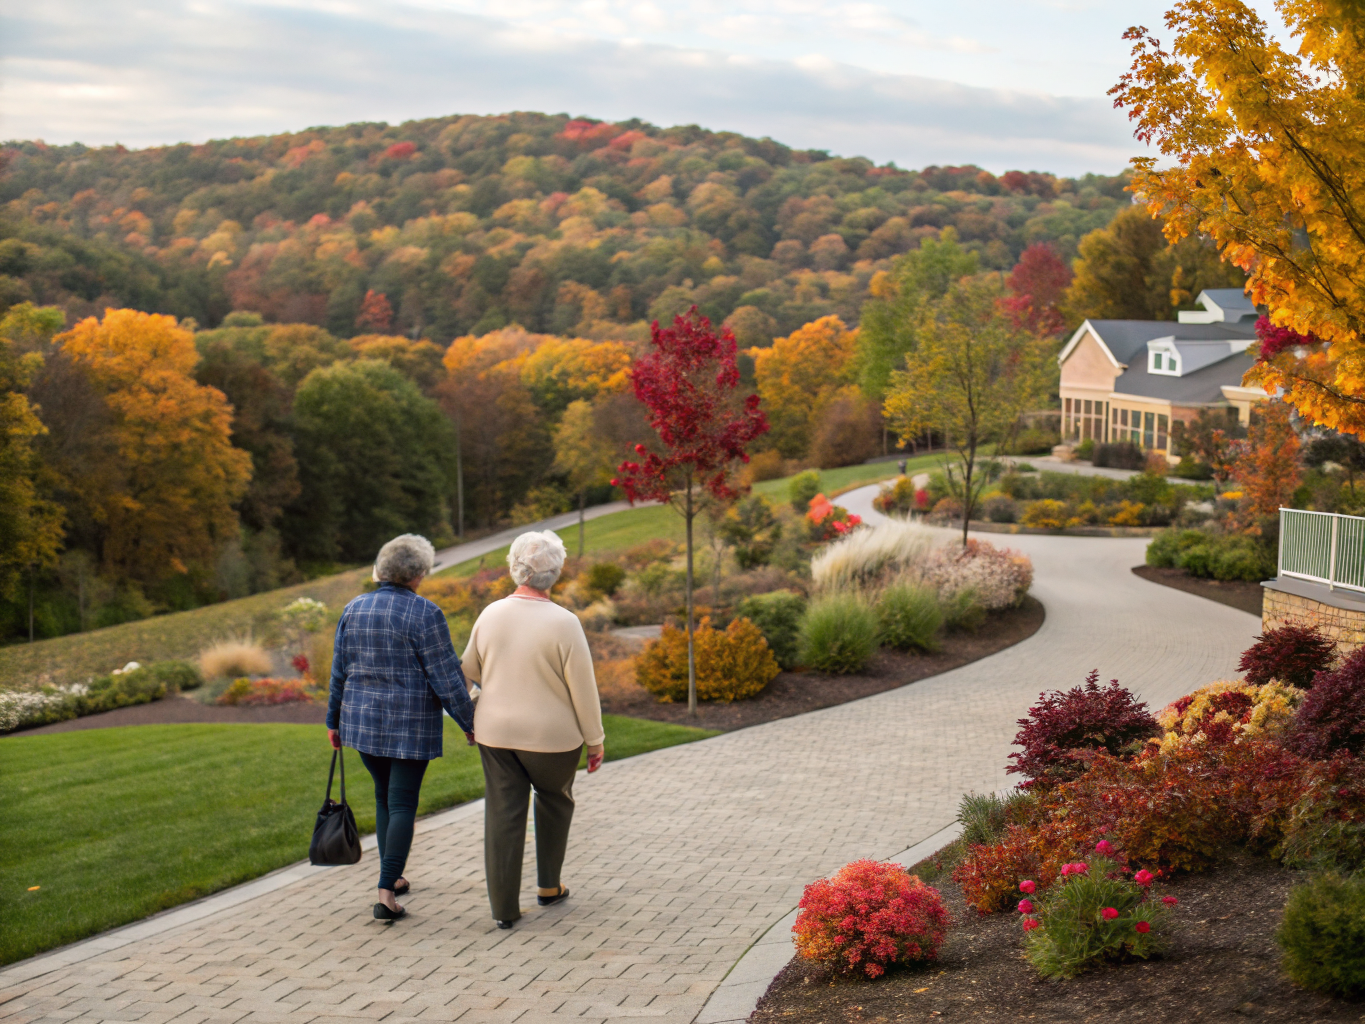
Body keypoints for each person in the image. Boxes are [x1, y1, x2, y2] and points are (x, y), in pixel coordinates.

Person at [326, 533, 475, 923]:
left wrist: (332, 721)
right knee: (403, 802)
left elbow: (339, 671)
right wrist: (469, 722)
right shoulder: (425, 613)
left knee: (384, 796)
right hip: (409, 727)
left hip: (361, 723)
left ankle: (394, 874)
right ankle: (386, 892)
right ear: (419, 573)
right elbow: (446, 677)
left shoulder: (353, 608)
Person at [462, 530, 605, 929]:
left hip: (495, 733)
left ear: (515, 567)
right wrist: (595, 741)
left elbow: (468, 670)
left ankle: (504, 910)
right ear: (554, 573)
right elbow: (584, 690)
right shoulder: (565, 622)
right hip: (552, 739)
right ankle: (548, 887)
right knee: (555, 799)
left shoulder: (490, 613)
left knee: (503, 813)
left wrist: (476, 705)